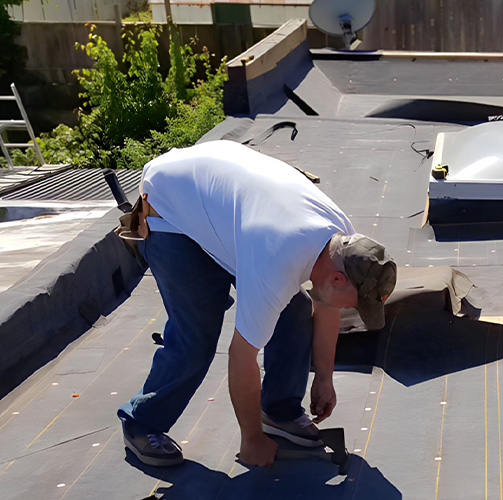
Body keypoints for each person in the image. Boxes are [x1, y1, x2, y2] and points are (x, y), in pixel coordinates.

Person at [116, 140, 397, 468]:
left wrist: (323, 377)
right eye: (356, 304)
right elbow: (242, 354)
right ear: (337, 280)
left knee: (293, 313)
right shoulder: (276, 259)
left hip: (222, 202)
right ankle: (142, 423)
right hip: (170, 206)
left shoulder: (343, 243)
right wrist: (251, 441)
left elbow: (328, 307)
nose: (353, 311)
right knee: (197, 334)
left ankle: (278, 411)